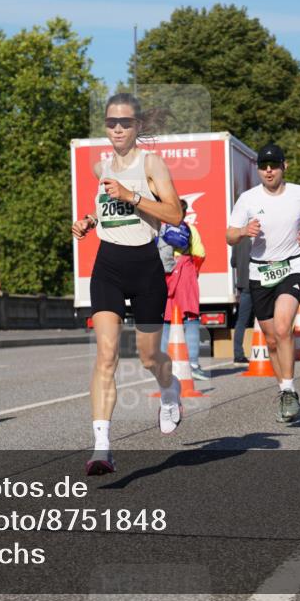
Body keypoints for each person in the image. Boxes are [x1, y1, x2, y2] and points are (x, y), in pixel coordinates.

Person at [71, 93, 184, 476]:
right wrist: (89, 221)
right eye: (111, 122)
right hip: (108, 266)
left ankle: (169, 389)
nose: (117, 129)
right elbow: (106, 208)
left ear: (138, 126)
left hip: (145, 266)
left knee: (149, 357)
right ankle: (102, 447)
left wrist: (132, 196)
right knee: (106, 356)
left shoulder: (151, 164)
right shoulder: (100, 167)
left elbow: (175, 213)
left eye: (125, 122)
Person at [226, 143, 300, 422]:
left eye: (274, 166)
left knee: (282, 328)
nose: (269, 171)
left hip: (292, 266)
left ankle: (289, 390)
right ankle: (283, 391)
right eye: (263, 167)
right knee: (270, 339)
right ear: (258, 170)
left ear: (284, 166)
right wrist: (244, 231)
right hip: (260, 272)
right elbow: (229, 236)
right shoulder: (248, 198)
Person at [160, 199, 209, 380]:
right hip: (185, 272)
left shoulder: (160, 228)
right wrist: (194, 270)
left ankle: (164, 365)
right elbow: (200, 253)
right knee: (191, 318)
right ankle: (193, 364)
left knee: (166, 319)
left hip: (165, 276)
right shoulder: (189, 229)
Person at [231, 234, 253, 364]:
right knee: (266, 318)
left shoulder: (237, 240)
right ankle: (271, 351)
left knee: (241, 321)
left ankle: (238, 354)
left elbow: (233, 262)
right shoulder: (259, 239)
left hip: (243, 284)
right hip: (258, 283)